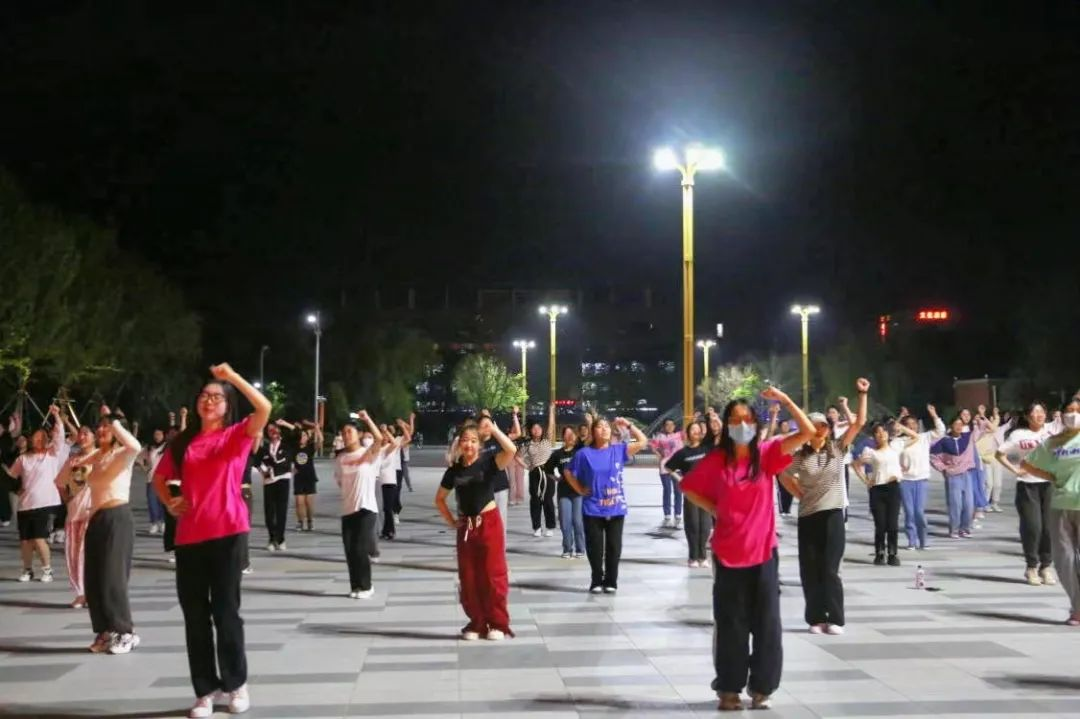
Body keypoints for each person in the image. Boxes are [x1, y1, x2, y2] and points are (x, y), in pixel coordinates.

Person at [681, 387, 814, 711]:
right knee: (731, 625)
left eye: (747, 419)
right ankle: (728, 689)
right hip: (728, 555)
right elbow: (688, 487)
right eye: (735, 420)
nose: (741, 425)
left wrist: (785, 400)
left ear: (755, 423)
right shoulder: (717, 460)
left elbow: (808, 432)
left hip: (763, 554)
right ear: (727, 425)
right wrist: (714, 508)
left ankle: (762, 688)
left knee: (767, 625)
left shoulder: (766, 454)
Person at [152, 363, 270, 719]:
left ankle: (236, 683)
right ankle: (205, 690)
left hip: (228, 533)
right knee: (195, 616)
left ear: (227, 406)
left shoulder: (236, 435)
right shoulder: (183, 442)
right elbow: (160, 478)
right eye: (205, 395)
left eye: (217, 397)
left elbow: (264, 407)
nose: (209, 401)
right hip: (190, 536)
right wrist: (170, 502)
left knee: (226, 612)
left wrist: (231, 377)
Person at [780, 379, 868, 635]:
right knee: (810, 569)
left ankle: (835, 619)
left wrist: (862, 394)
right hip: (808, 515)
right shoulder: (799, 457)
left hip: (832, 514)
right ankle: (816, 618)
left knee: (830, 569)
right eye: (814, 427)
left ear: (828, 430)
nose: (819, 431)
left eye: (822, 427)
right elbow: (783, 475)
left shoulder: (837, 449)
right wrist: (798, 494)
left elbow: (859, 423)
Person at [435, 417, 517, 640]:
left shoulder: (488, 463)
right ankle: (477, 623)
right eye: (465, 440)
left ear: (479, 444)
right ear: (459, 443)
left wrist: (495, 430)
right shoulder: (454, 471)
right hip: (466, 529)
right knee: (469, 577)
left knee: (493, 575)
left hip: (489, 523)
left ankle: (497, 624)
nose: (469, 444)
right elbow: (440, 499)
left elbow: (511, 450)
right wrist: (452, 522)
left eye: (473, 441)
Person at [72, 404, 142, 654]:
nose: (101, 430)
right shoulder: (98, 456)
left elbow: (135, 446)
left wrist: (113, 420)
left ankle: (125, 632)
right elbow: (76, 465)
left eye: (106, 427)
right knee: (94, 579)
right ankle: (105, 631)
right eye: (99, 427)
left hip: (117, 518)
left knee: (113, 578)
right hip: (96, 519)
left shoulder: (123, 453)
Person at [562, 417, 648, 594]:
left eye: (607, 427)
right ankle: (596, 580)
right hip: (593, 508)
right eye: (600, 427)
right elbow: (568, 472)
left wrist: (628, 425)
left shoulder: (618, 450)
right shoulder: (584, 454)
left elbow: (642, 441)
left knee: (614, 547)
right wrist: (579, 489)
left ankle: (611, 581)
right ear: (593, 432)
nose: (604, 429)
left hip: (616, 507)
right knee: (595, 547)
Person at [1021, 399, 1080, 625]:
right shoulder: (1053, 442)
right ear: (1061, 415)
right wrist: (1052, 477)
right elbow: (1027, 464)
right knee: (1064, 559)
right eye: (1069, 411)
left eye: (1078, 411)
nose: (1073, 414)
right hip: (1061, 504)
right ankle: (1077, 608)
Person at [996, 401, 1061, 586]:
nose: (1039, 415)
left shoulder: (1053, 429)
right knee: (1033, 527)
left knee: (1049, 528)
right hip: (1028, 486)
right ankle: (1031, 566)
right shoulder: (1018, 434)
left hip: (1050, 485)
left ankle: (1046, 567)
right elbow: (999, 454)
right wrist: (1016, 470)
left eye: (1042, 412)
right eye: (1035, 412)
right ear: (1027, 416)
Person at [5, 404, 68, 582]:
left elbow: (60, 437)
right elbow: (10, 477)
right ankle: (27, 570)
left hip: (45, 504)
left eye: (42, 438)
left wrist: (56, 416)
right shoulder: (23, 459)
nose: (38, 440)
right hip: (25, 505)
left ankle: (47, 570)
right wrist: (17, 489)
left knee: (39, 539)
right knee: (25, 541)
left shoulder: (52, 455)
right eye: (36, 437)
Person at [335, 411, 384, 598]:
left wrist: (367, 419)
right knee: (350, 550)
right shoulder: (340, 459)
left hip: (366, 508)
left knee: (360, 548)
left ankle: (367, 586)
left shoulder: (367, 454)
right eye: (344, 432)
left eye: (350, 431)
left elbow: (379, 439)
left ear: (359, 434)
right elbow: (340, 482)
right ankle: (355, 586)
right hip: (348, 509)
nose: (346, 435)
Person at [855, 418, 913, 566]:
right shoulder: (871, 452)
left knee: (892, 524)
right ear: (874, 436)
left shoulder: (896, 446)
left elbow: (915, 437)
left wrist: (902, 428)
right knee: (880, 525)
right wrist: (866, 481)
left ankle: (893, 553)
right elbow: (856, 465)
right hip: (877, 490)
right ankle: (880, 553)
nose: (881, 434)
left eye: (883, 431)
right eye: (877, 432)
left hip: (893, 488)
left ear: (888, 433)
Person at [892, 405, 946, 550]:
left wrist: (934, 415)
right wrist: (898, 467)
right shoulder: (900, 441)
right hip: (905, 481)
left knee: (919, 512)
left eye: (914, 424)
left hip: (921, 480)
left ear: (918, 425)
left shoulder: (924, 438)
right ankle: (912, 540)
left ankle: (923, 540)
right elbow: (891, 453)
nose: (912, 427)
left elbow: (941, 431)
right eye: (908, 424)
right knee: (909, 512)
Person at [54, 424, 96, 608]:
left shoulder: (101, 457)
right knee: (74, 555)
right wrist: (68, 499)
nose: (82, 436)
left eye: (87, 433)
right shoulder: (73, 460)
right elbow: (60, 483)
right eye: (80, 433)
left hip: (94, 514)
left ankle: (93, 593)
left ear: (95, 436)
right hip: (74, 514)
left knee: (91, 556)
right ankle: (80, 593)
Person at [931, 414, 990, 541]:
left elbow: (983, 429)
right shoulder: (944, 441)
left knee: (969, 504)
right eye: (956, 424)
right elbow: (933, 457)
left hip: (967, 474)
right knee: (955, 504)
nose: (958, 427)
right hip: (953, 476)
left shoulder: (968, 437)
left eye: (960, 425)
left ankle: (965, 528)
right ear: (951, 426)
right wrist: (944, 468)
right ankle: (954, 529)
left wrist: (981, 417)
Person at [666, 420, 714, 568]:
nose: (695, 432)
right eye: (692, 429)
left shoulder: (707, 449)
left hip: (706, 492)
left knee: (705, 525)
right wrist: (681, 480)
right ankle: (693, 557)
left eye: (698, 429)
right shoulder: (683, 453)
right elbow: (668, 467)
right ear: (687, 433)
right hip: (691, 493)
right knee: (692, 524)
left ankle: (703, 557)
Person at [477, 408, 521, 542]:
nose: (486, 427)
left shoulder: (499, 439)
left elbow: (515, 440)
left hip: (499, 487)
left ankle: (500, 548)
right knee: (482, 525)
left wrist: (496, 430)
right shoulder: (475, 443)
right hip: (481, 490)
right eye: (483, 424)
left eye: (488, 423)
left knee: (500, 523)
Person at [546, 425, 585, 559]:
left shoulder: (579, 451)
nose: (569, 436)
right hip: (564, 492)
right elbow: (548, 469)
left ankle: (580, 548)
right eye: (567, 434)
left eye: (571, 434)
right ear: (563, 437)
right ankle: (567, 549)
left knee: (578, 521)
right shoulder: (557, 454)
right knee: (565, 522)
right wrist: (557, 478)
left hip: (578, 492)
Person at [257, 419, 297, 551]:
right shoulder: (264, 448)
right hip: (269, 481)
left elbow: (297, 433)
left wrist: (285, 424)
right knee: (269, 512)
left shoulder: (286, 445)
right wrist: (263, 472)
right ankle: (271, 538)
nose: (273, 432)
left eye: (275, 429)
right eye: (270, 430)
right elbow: (256, 461)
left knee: (281, 511)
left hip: (283, 479)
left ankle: (281, 538)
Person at [518, 403, 557, 538]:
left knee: (548, 500)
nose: (536, 430)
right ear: (531, 430)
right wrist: (527, 466)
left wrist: (551, 411)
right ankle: (537, 527)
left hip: (548, 472)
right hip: (535, 473)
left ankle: (550, 527)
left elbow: (551, 426)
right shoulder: (527, 444)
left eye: (539, 428)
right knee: (535, 500)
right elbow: (517, 457)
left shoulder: (547, 440)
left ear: (542, 430)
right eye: (534, 428)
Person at [378, 420, 411, 540]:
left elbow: (406, 439)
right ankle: (385, 530)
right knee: (383, 508)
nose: (385, 437)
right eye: (383, 435)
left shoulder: (391, 447)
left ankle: (390, 530)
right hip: (378, 481)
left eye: (387, 434)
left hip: (389, 480)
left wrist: (387, 430)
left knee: (388, 507)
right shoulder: (377, 449)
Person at [650, 418, 685, 529]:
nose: (670, 426)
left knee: (678, 491)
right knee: (667, 490)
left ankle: (678, 514)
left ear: (674, 426)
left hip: (678, 466)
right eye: (667, 425)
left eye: (671, 424)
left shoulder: (679, 435)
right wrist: (659, 455)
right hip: (665, 466)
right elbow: (653, 446)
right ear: (664, 426)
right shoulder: (660, 436)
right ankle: (667, 515)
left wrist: (694, 418)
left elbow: (690, 432)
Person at [137, 428, 169, 535]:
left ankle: (163, 523)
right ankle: (154, 523)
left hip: (164, 479)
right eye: (155, 434)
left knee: (163, 502)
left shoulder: (167, 447)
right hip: (151, 478)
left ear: (164, 435)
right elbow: (139, 457)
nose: (157, 436)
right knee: (152, 502)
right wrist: (146, 468)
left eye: (159, 434)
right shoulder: (149, 448)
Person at [292, 424, 321, 532]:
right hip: (298, 478)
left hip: (309, 477)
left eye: (304, 435)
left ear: (308, 437)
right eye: (301, 435)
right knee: (299, 502)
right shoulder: (294, 448)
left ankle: (310, 521)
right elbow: (288, 459)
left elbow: (320, 441)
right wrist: (291, 468)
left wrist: (317, 430)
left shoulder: (310, 448)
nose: (302, 437)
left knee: (309, 502)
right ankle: (300, 522)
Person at [975, 405, 1003, 512]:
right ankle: (985, 503)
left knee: (998, 484)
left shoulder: (994, 430)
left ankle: (995, 503)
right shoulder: (979, 432)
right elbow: (982, 423)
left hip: (996, 458)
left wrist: (996, 414)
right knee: (988, 484)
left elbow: (994, 425)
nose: (990, 421)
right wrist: (981, 415)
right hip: (985, 459)